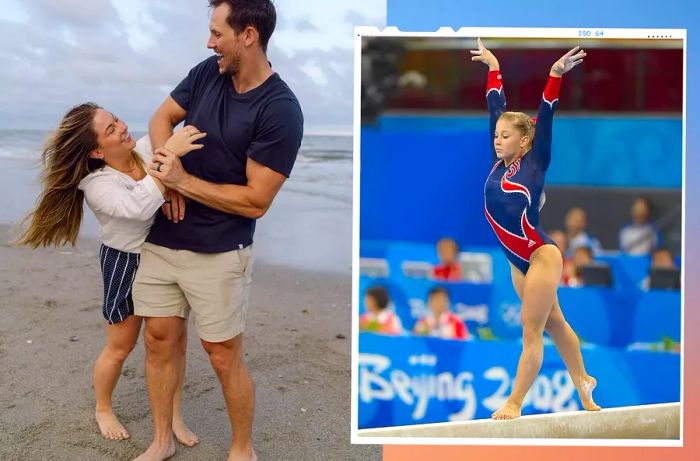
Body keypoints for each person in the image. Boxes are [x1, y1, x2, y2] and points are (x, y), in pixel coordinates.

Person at [131, 1, 303, 460]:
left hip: (221, 250)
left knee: (223, 356)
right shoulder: (209, 72)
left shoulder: (280, 109)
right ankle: (163, 440)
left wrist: (183, 181)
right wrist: (167, 171)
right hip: (163, 237)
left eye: (216, 33)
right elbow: (160, 117)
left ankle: (242, 450)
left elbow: (256, 200)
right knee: (158, 340)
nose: (209, 43)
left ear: (248, 35)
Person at [17, 103, 203, 445]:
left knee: (174, 342)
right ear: (98, 150)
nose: (122, 127)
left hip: (163, 254)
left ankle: (175, 414)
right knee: (121, 345)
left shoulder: (144, 150)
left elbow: (180, 129)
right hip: (125, 261)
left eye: (116, 119)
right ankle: (103, 407)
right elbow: (137, 208)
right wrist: (170, 167)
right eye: (111, 129)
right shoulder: (97, 184)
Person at [471, 38, 600, 419]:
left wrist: (554, 75)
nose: (497, 140)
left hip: (541, 255)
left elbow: (547, 115)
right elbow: (497, 105)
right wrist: (493, 66)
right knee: (556, 323)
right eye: (495, 135)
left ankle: (514, 402)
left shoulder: (536, 162)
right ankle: (584, 382)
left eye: (505, 136)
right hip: (517, 262)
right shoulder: (497, 163)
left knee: (532, 330)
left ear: (525, 140)